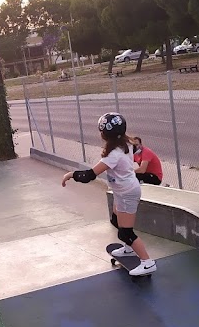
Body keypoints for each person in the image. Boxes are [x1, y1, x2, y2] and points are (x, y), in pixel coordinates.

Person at [61, 113, 157, 276]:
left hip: (127, 193)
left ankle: (147, 263)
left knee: (125, 232)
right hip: (122, 190)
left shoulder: (114, 155)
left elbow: (89, 175)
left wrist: (70, 174)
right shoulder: (126, 142)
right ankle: (128, 249)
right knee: (115, 220)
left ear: (104, 134)